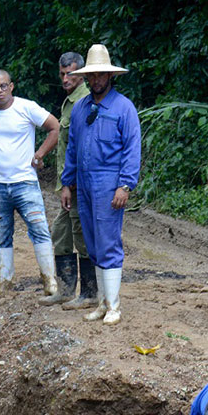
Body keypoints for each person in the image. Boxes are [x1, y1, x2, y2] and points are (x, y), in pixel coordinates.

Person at [60, 44, 141, 325]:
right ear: (86, 78)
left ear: (110, 76)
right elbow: (72, 148)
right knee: (92, 242)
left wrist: (125, 186)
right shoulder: (81, 109)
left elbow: (132, 150)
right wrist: (66, 183)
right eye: (91, 76)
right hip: (83, 182)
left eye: (101, 75)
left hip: (109, 182)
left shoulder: (123, 108)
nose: (96, 80)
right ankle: (102, 303)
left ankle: (114, 306)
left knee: (108, 241)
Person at [0, 69, 61, 297]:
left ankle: (50, 281)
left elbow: (55, 127)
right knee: (1, 233)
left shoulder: (26, 107)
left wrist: (39, 154)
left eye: (3, 86)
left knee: (39, 230)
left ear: (11, 86)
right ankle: (4, 282)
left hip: (25, 182)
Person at [40, 51, 94, 308]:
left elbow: (80, 147)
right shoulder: (70, 102)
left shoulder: (84, 101)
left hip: (78, 184)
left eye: (70, 73)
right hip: (67, 183)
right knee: (61, 233)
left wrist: (71, 184)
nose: (65, 78)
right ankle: (65, 289)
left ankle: (90, 293)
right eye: (62, 74)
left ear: (80, 74)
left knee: (81, 236)